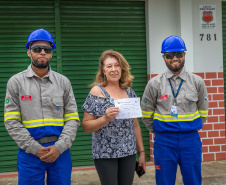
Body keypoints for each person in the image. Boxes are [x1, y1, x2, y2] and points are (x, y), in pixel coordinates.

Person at [4, 28, 80, 185]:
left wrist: (59, 147)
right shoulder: (16, 82)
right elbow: (11, 121)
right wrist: (34, 148)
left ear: (51, 53)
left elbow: (73, 118)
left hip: (60, 153)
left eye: (47, 49)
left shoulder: (63, 82)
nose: (42, 52)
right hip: (30, 153)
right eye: (37, 49)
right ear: (29, 52)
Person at [141, 35, 209, 185]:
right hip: (164, 141)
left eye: (179, 54)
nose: (174, 58)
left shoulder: (197, 82)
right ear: (164, 57)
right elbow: (146, 114)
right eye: (169, 55)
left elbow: (203, 112)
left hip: (190, 140)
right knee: (164, 182)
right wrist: (159, 130)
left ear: (184, 54)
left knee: (194, 181)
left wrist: (190, 127)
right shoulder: (154, 84)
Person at [82, 50, 146, 185]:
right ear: (103, 71)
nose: (113, 69)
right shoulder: (96, 92)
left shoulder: (129, 91)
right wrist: (105, 118)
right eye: (109, 66)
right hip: (105, 153)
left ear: (122, 68)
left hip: (128, 152)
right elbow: (86, 126)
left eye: (117, 65)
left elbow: (135, 125)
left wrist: (141, 153)